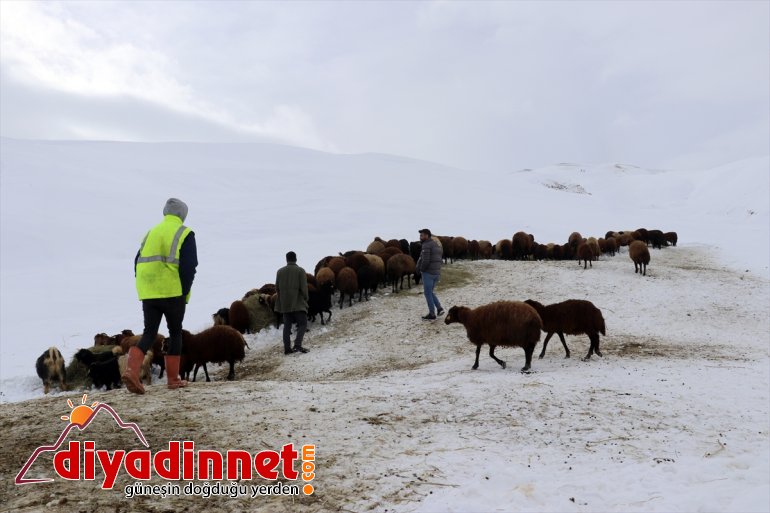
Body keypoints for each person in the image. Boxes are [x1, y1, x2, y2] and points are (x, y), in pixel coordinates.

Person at [122, 198, 198, 394]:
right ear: (182, 215)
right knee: (175, 332)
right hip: (172, 292)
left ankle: (131, 371)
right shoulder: (184, 233)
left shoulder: (151, 233)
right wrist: (183, 291)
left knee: (149, 333)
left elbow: (137, 260)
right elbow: (189, 266)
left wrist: (145, 285)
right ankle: (173, 379)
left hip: (149, 291)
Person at [275, 251, 309, 354]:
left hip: (285, 304)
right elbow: (304, 288)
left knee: (287, 326)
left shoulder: (279, 272)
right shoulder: (300, 271)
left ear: (286, 259)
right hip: (297, 303)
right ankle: (297, 345)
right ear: (296, 259)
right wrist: (306, 298)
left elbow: (277, 288)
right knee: (302, 324)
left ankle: (287, 348)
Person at [416, 228, 444, 320]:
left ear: (427, 236)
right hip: (436, 272)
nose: (420, 237)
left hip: (428, 273)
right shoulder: (436, 244)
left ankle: (432, 314)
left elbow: (426, 260)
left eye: (422, 235)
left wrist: (421, 270)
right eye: (420, 235)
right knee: (430, 292)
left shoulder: (426, 245)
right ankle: (439, 308)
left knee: (427, 293)